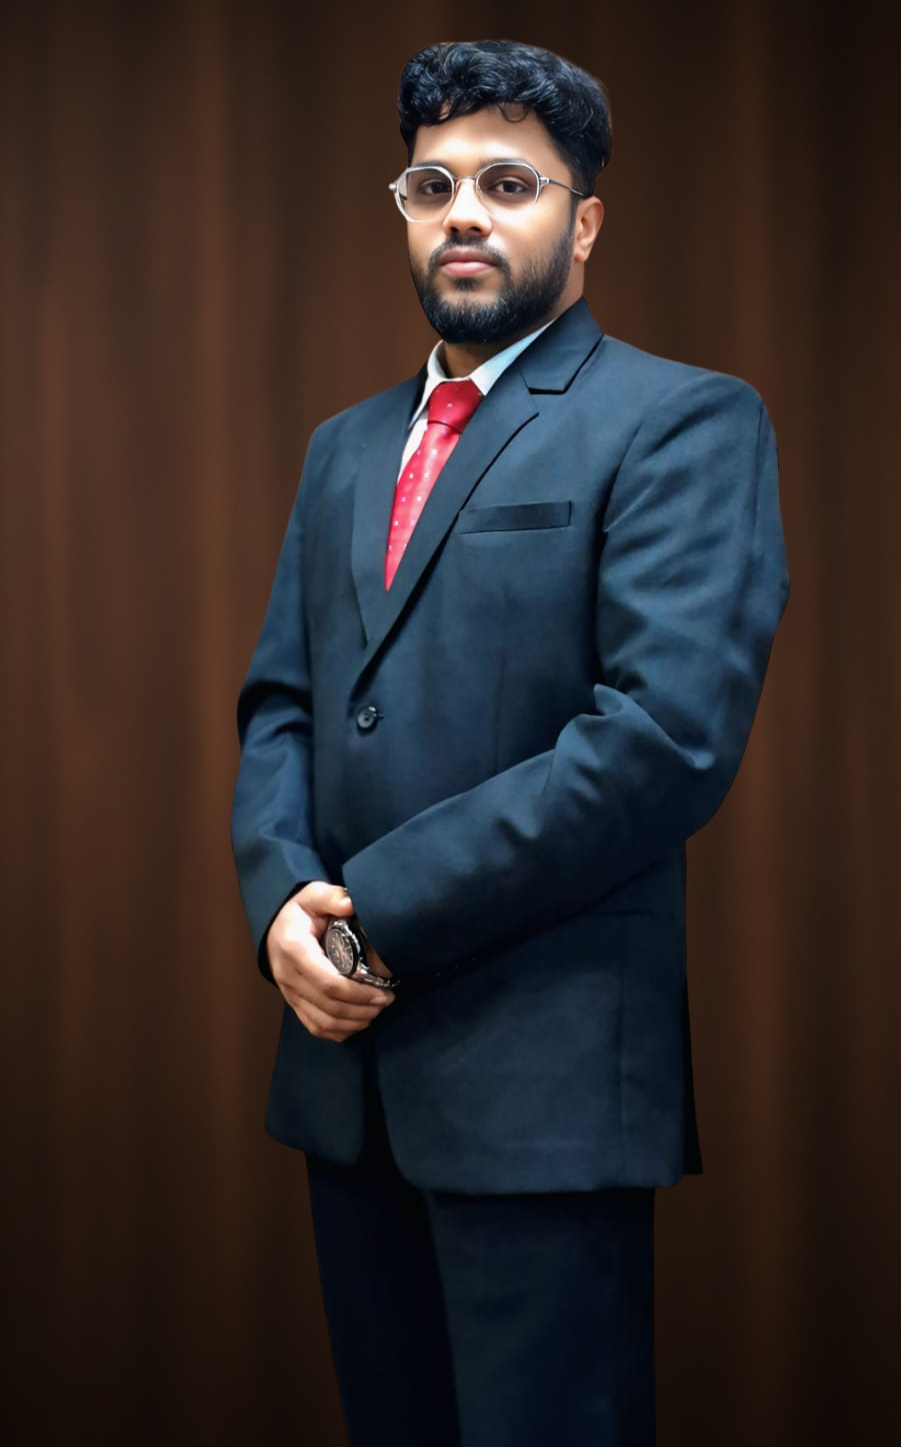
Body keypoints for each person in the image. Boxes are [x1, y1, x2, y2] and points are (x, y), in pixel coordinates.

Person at [231, 38, 789, 1447]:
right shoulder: (344, 448)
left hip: (543, 1089)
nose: (463, 212)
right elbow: (285, 703)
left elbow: (660, 740)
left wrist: (372, 915)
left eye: (508, 182)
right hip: (345, 1085)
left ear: (584, 221)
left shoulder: (682, 420)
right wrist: (280, 900)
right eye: (433, 185)